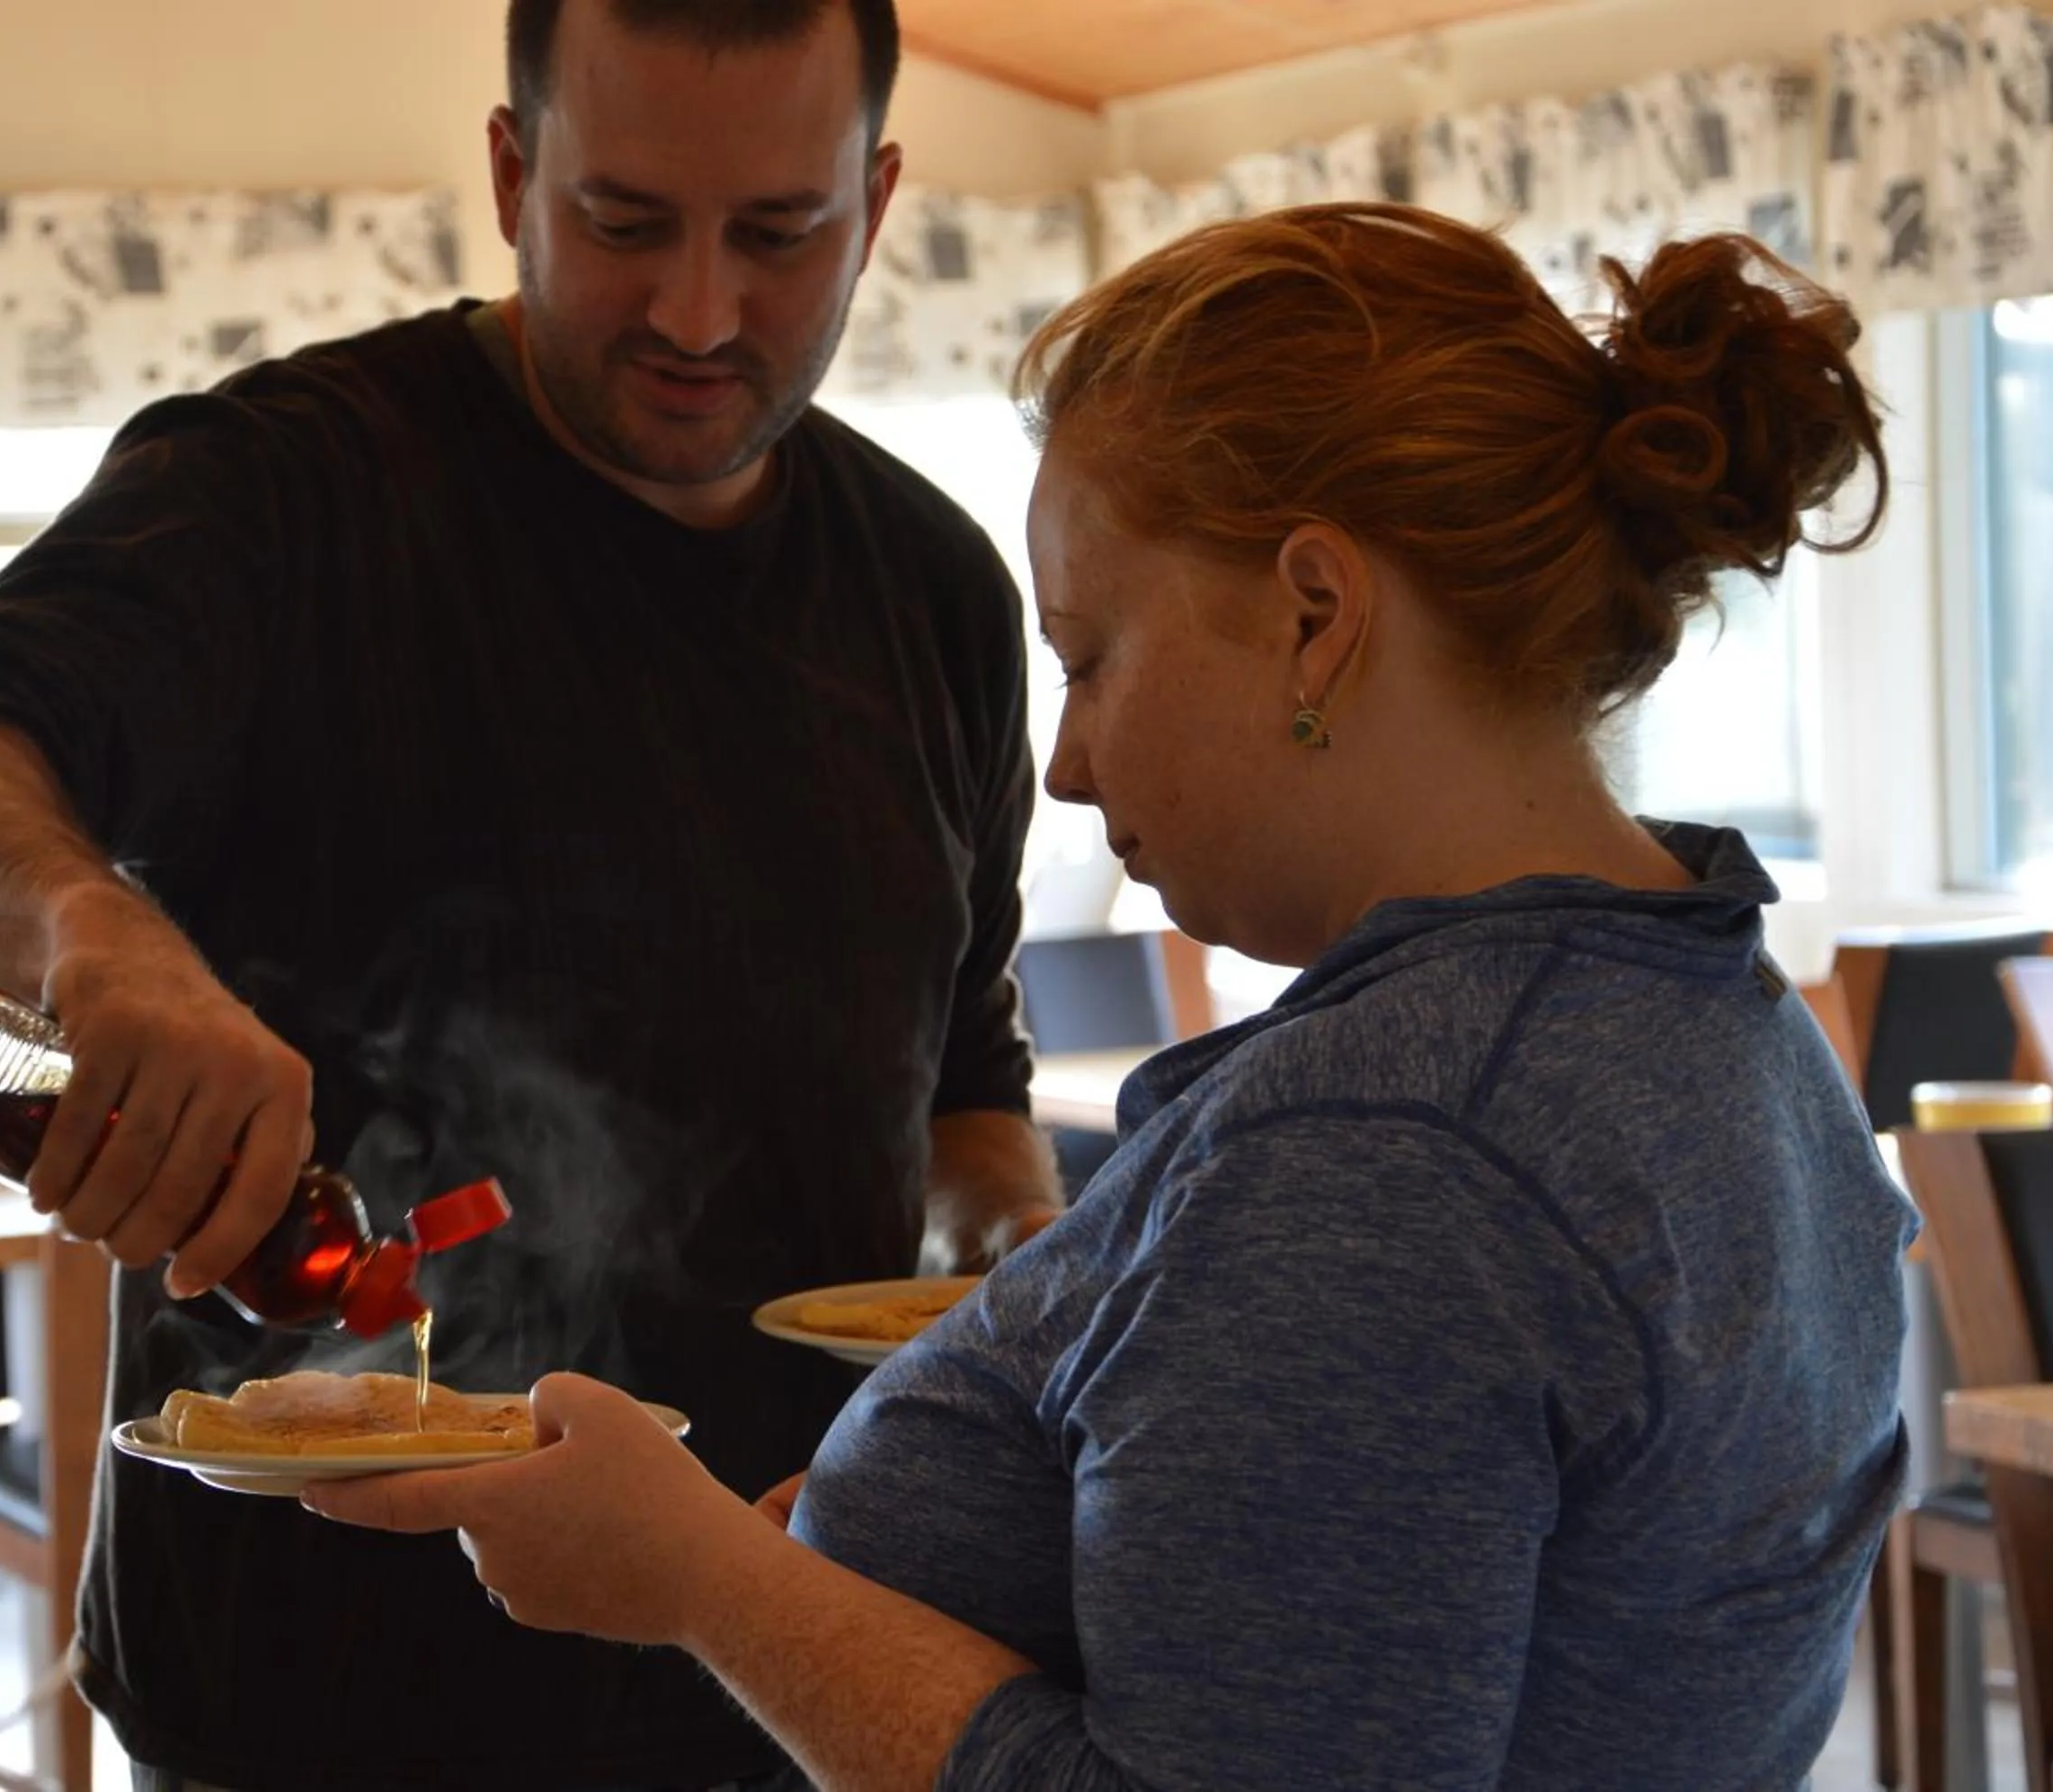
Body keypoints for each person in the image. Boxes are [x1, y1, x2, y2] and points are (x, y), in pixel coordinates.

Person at [309, 204, 1921, 1790]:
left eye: (1087, 656)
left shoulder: (1389, 1151)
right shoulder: (1733, 1023)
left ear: (1315, 614)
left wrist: (709, 1585)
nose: (1068, 766)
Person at [0, 1, 1062, 1786]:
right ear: (512, 172)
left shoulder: (936, 590)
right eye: (625, 222)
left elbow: (961, 1075)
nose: (702, 311)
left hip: (793, 1663)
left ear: (879, 195)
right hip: (314, 1698)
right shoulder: (284, 489)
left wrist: (1022, 1274)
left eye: (780, 233)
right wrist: (94, 939)